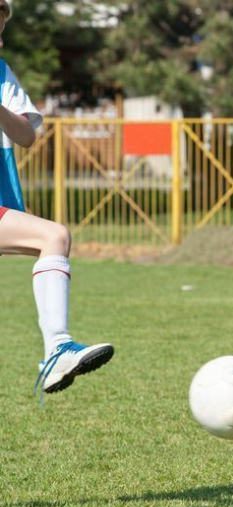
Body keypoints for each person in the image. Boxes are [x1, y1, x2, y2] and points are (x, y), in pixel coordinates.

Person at [0, 0, 114, 398]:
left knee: (53, 237)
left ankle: (57, 349)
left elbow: (27, 136)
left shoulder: (0, 73)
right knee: (54, 236)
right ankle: (56, 348)